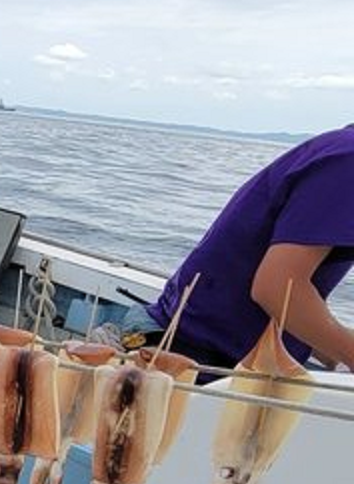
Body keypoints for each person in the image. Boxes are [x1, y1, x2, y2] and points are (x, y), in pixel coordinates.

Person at [135, 125, 354, 373]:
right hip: (186, 357)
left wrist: (335, 352)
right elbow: (277, 287)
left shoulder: (341, 152)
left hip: (217, 350)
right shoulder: (348, 163)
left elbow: (283, 293)